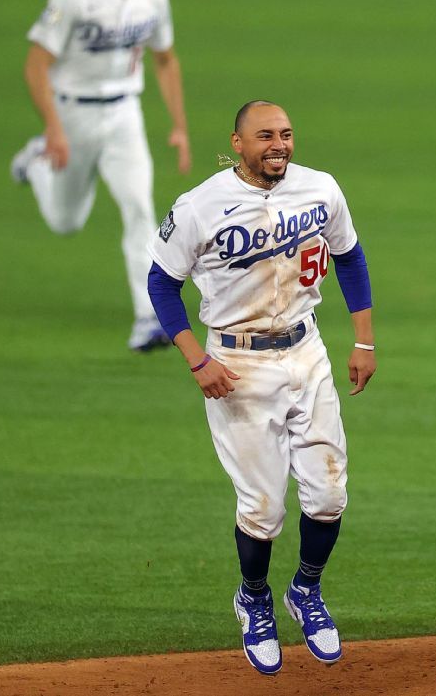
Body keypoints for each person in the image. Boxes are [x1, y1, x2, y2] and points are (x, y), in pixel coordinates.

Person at [145, 101, 377, 675]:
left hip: (308, 351)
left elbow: (349, 256)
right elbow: (160, 282)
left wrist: (364, 341)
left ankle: (307, 590)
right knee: (264, 507)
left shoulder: (320, 190)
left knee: (328, 495)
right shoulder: (200, 206)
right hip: (236, 363)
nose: (279, 144)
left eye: (287, 134)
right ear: (238, 142)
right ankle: (253, 597)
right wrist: (197, 360)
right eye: (266, 135)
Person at [10, 0, 192, 352]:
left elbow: (165, 59)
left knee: (140, 208)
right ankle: (37, 160)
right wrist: (54, 129)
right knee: (65, 221)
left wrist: (179, 126)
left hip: (126, 114)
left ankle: (148, 318)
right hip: (71, 113)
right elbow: (35, 64)